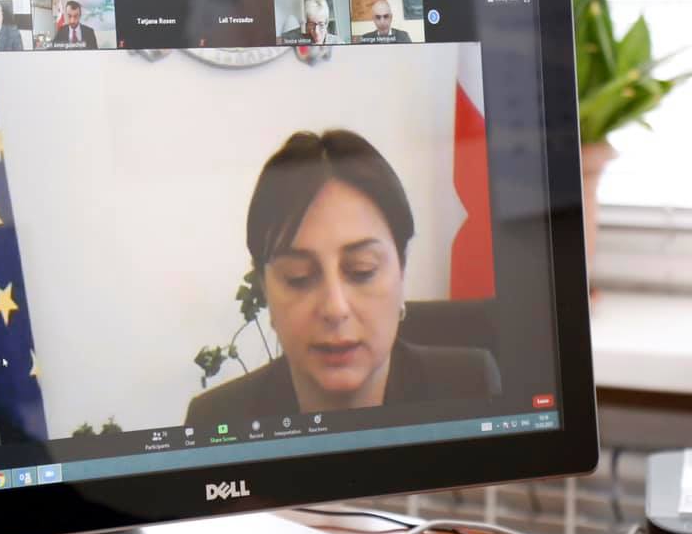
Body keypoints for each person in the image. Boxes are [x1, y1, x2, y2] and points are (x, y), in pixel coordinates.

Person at [185, 130, 500, 424]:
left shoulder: (470, 387)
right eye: (298, 277)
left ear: (401, 269)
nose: (335, 308)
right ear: (264, 287)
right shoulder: (216, 418)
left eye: (362, 271)